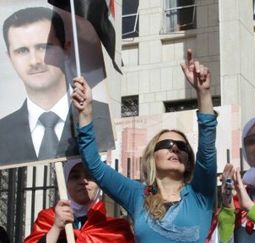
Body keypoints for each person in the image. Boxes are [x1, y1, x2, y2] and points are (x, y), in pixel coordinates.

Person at [72, 49, 217, 242]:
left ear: (188, 161)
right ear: (152, 157)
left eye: (182, 147)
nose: (175, 148)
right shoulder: (136, 195)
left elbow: (207, 149)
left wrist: (204, 94)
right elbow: (93, 165)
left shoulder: (201, 194)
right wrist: (86, 113)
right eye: (167, 144)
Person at [0, 7, 113, 166]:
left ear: (66, 48)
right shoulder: (2, 132)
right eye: (22, 51)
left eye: (43, 47)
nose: (34, 61)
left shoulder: (102, 120)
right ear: (10, 58)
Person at [24, 159, 134, 242]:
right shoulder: (47, 219)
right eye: (75, 176)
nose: (83, 181)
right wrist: (56, 228)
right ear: (65, 182)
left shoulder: (116, 230)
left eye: (90, 176)